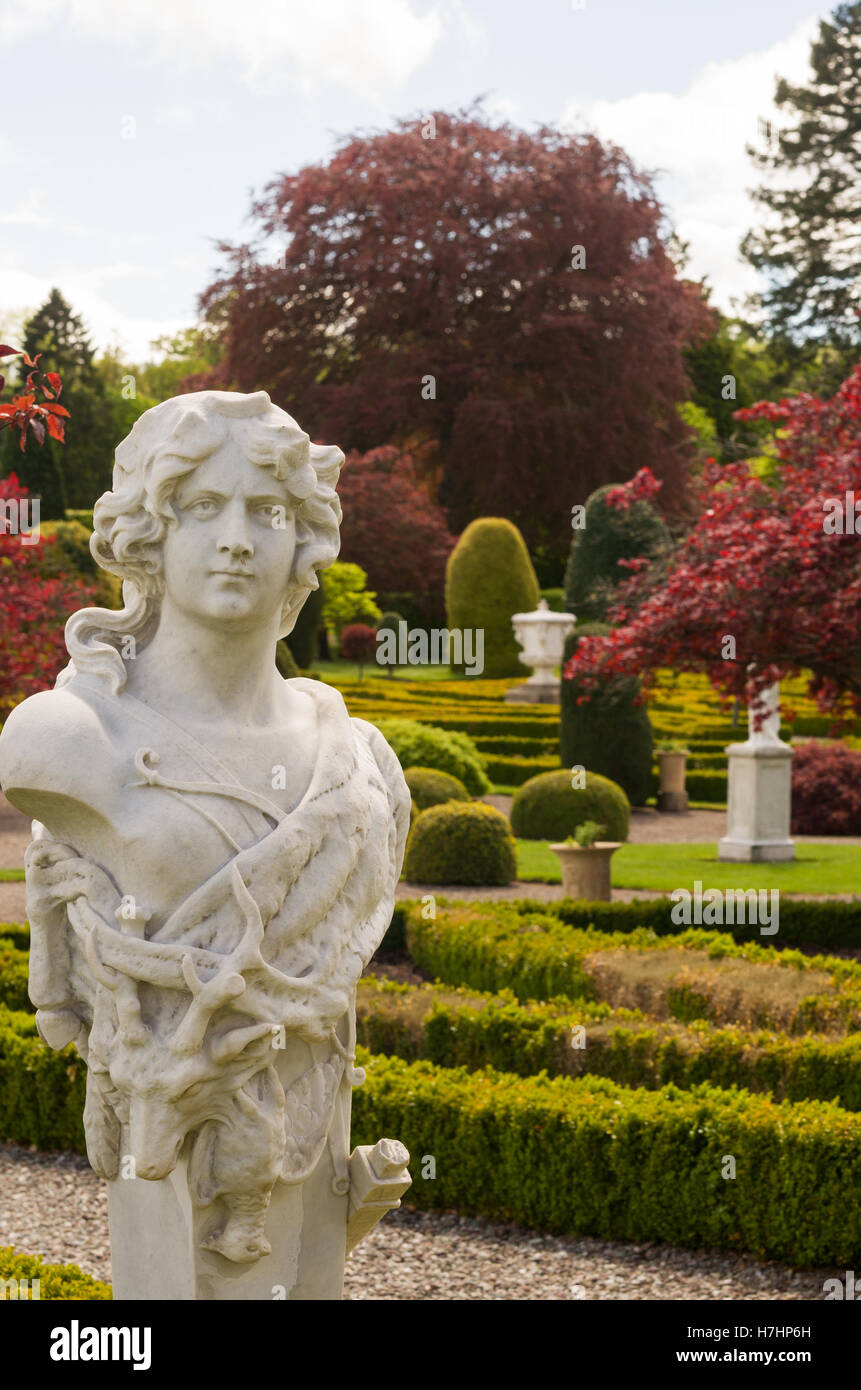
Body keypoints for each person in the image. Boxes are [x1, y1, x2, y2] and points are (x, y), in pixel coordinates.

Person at [0, 390, 410, 1268]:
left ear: (304, 541)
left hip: (309, 1130)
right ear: (148, 535)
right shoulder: (69, 742)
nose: (236, 538)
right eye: (200, 507)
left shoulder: (359, 759)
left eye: (267, 511)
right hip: (163, 1117)